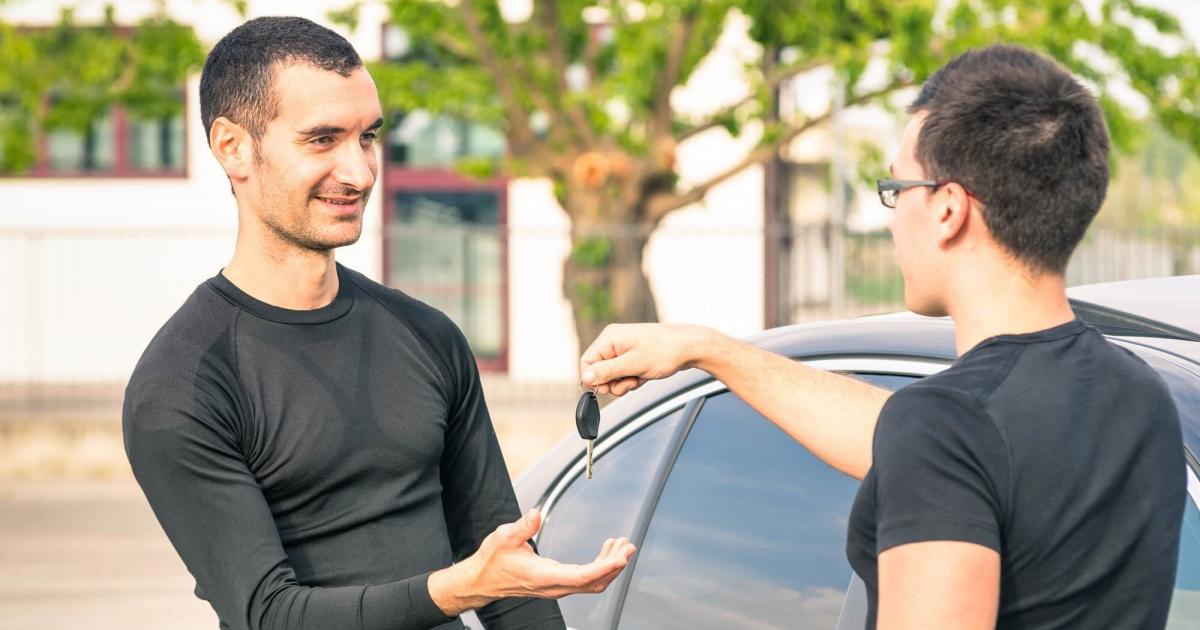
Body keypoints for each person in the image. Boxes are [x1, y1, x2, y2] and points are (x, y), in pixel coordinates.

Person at [580, 44, 1184, 629]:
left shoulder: (949, 429)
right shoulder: (1140, 396)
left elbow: (942, 440)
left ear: (948, 209)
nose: (891, 217)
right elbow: (934, 439)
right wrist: (707, 349)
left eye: (896, 191)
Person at [123, 16, 633, 630]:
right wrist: (454, 590)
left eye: (368, 138)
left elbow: (509, 581)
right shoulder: (183, 385)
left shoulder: (428, 336)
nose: (360, 172)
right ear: (233, 147)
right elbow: (269, 615)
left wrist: (489, 586)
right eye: (322, 140)